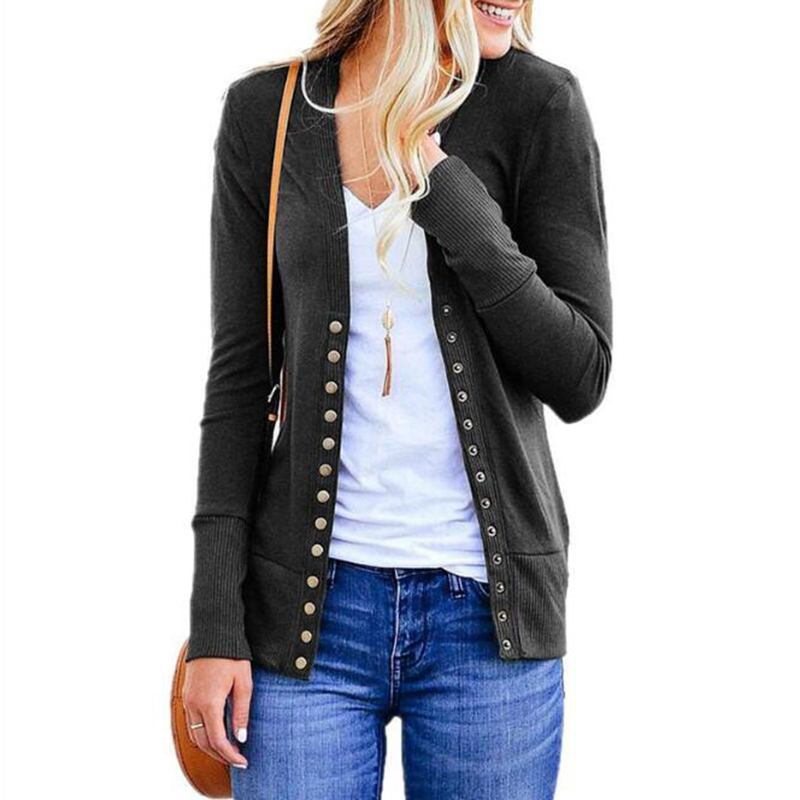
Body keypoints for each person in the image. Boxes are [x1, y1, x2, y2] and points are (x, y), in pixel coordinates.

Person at [181, 0, 612, 797]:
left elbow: (580, 373)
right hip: (306, 619)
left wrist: (449, 195)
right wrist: (214, 621)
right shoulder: (268, 112)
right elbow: (240, 380)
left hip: (488, 624)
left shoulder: (541, 103)